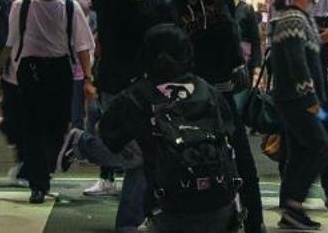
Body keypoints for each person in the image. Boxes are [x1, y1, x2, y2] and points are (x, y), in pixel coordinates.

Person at [165, 0, 265, 233]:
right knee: (194, 156)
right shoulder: (174, 5)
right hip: (193, 93)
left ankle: (255, 221)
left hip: (226, 88)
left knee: (244, 160)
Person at [96, 22, 245, 233]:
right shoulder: (208, 90)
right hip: (221, 205)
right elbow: (230, 132)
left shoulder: (137, 95)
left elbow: (108, 137)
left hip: (170, 211)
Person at [79, 0, 172, 232]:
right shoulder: (106, 1)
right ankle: (83, 145)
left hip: (150, 91)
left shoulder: (156, 4)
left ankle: (134, 219)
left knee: (145, 157)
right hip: (116, 88)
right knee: (139, 157)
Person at [7, 0, 94, 201]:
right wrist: (4, 78)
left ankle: (45, 167)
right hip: (29, 70)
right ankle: (38, 183)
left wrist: (88, 79)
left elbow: (82, 46)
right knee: (32, 127)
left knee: (57, 126)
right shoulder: (20, 6)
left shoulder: (69, 6)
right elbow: (11, 44)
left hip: (59, 69)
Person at [267, 0, 328, 231]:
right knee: (319, 147)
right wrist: (310, 100)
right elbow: (297, 64)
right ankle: (293, 204)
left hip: (295, 99)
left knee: (299, 151)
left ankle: (291, 210)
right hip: (296, 100)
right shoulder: (293, 18)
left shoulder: (298, 16)